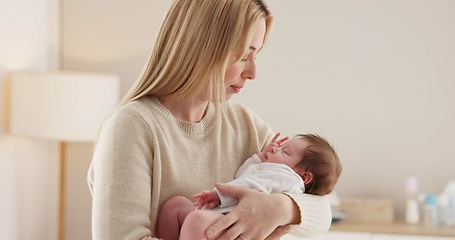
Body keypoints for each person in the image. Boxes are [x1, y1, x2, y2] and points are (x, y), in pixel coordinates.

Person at [87, 0, 332, 239]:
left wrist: (279, 208)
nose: (253, 73)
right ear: (203, 48)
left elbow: (322, 211)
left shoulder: (245, 124)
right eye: (244, 56)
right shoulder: (131, 127)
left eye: (256, 56)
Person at [156, 133, 342, 240]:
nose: (276, 149)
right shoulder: (273, 170)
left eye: (285, 151)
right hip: (220, 218)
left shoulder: (288, 178)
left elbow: (249, 184)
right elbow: (244, 175)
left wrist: (218, 195)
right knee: (177, 205)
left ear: (305, 176)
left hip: (232, 226)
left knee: (195, 220)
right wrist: (259, 158)